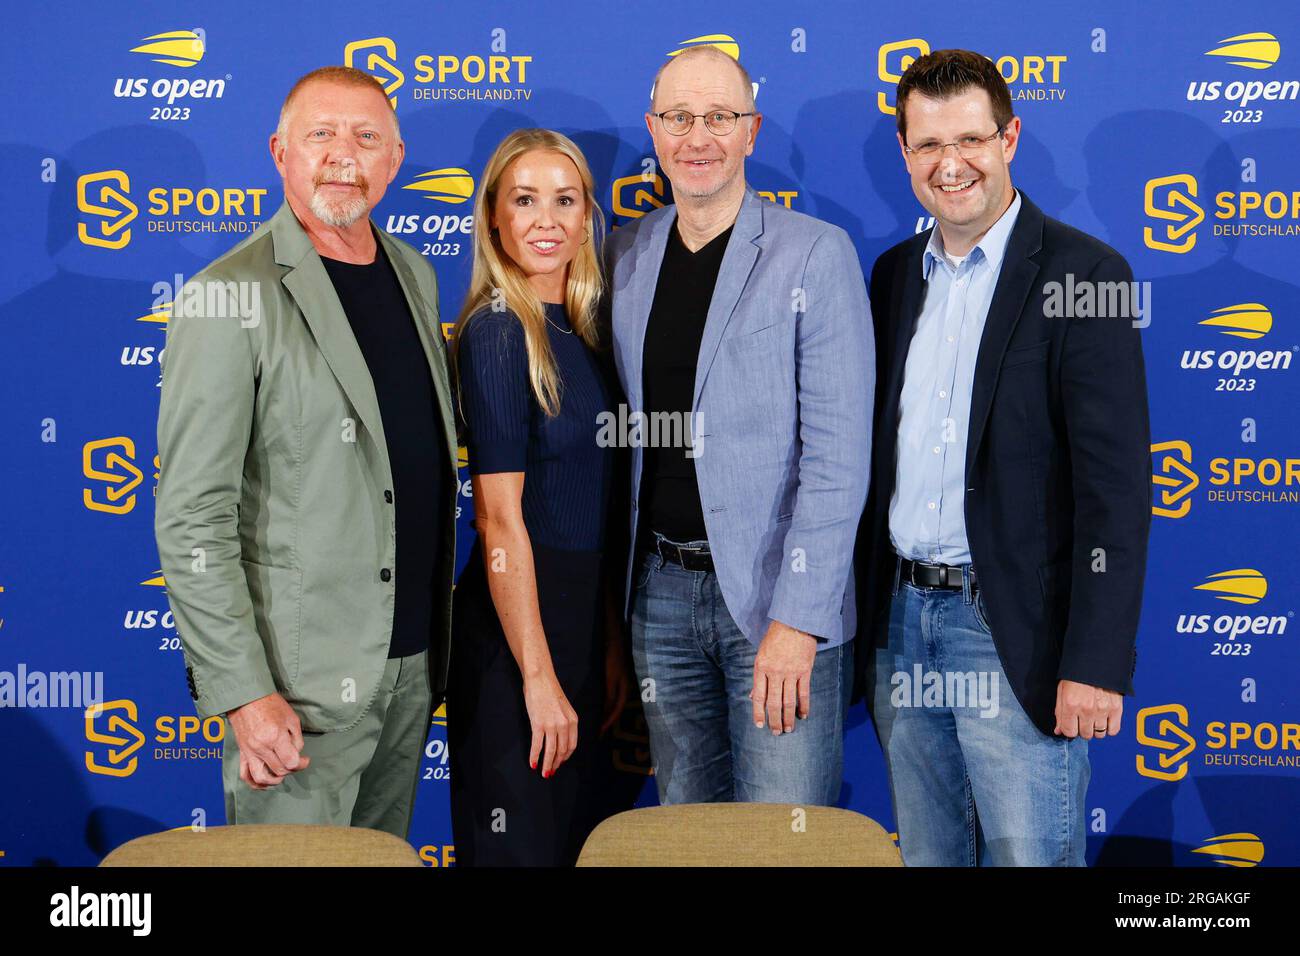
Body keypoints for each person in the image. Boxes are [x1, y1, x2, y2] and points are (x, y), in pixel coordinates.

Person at [857, 48, 1151, 866]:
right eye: (927, 146)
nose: (950, 165)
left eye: (971, 140)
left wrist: (1095, 663)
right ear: (906, 154)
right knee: (929, 856)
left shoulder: (1086, 273)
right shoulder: (890, 279)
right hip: (901, 624)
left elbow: (1116, 490)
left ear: (1010, 137)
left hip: (1013, 629)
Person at [155, 66, 457, 839]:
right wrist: (243, 694)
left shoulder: (415, 275)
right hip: (298, 694)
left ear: (395, 158)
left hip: (410, 670)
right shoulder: (227, 298)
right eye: (319, 134)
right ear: (279, 152)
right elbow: (192, 519)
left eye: (365, 137)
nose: (342, 154)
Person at [605, 45, 873, 806]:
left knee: (782, 842)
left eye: (719, 117)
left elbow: (838, 457)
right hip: (656, 596)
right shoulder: (626, 253)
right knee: (690, 835)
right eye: (680, 118)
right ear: (654, 131)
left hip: (774, 601)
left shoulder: (815, 255)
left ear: (751, 130)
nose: (699, 137)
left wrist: (797, 619)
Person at [447, 128, 630, 866]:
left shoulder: (591, 328)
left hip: (584, 625)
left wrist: (607, 641)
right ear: (494, 215)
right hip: (518, 639)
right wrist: (538, 677)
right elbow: (498, 521)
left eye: (565, 200)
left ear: (588, 215)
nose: (546, 221)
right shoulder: (497, 333)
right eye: (525, 201)